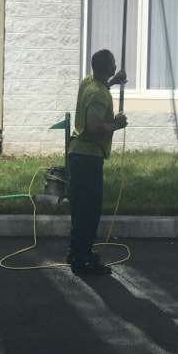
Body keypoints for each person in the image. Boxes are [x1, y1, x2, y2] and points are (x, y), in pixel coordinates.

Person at [67, 49, 127, 274]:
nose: (115, 67)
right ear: (109, 68)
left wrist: (113, 82)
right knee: (89, 211)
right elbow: (93, 126)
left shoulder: (88, 83)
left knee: (79, 209)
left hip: (77, 155)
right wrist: (115, 125)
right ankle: (83, 259)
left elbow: (98, 91)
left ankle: (76, 252)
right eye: (113, 66)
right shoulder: (100, 94)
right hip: (88, 158)